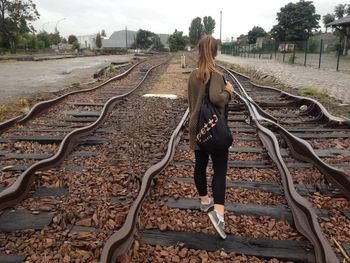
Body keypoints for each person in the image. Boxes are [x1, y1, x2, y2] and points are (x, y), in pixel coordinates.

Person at [187, 35, 234, 239]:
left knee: (200, 165)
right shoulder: (215, 74)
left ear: (199, 50)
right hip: (215, 130)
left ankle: (205, 202)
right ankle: (219, 215)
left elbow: (191, 102)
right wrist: (229, 92)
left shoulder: (192, 75)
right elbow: (216, 98)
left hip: (198, 128)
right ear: (215, 52)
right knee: (220, 169)